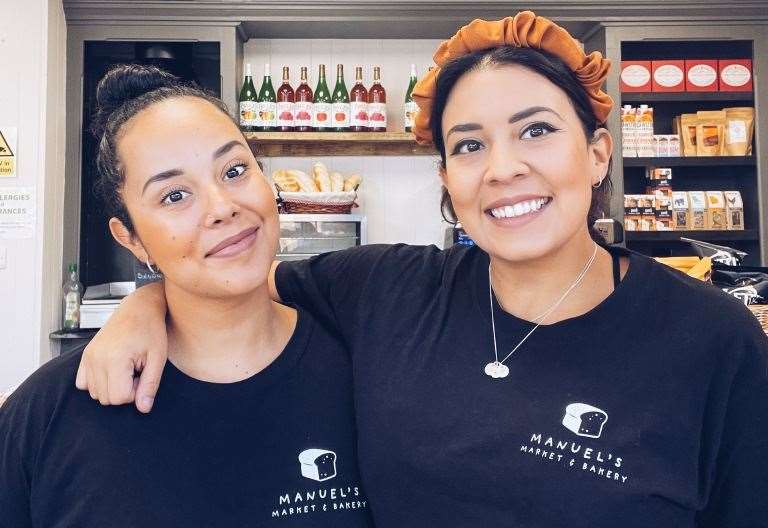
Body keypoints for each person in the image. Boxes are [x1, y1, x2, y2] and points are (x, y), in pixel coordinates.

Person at [76, 12, 768, 527]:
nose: (503, 169)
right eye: (470, 145)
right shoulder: (386, 293)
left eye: (536, 130)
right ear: (447, 178)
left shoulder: (713, 338)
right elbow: (234, 281)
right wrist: (143, 307)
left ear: (596, 154)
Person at [0, 64, 373, 527]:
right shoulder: (49, 414)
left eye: (235, 170)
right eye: (175, 195)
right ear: (131, 239)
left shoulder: (368, 378)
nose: (222, 207)